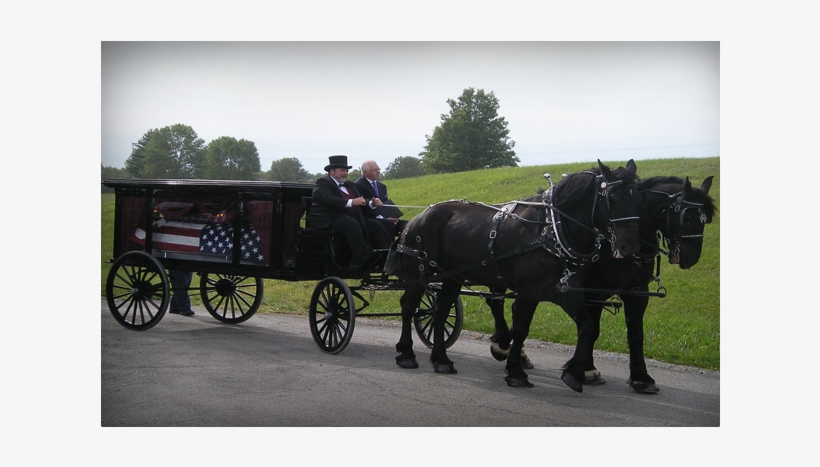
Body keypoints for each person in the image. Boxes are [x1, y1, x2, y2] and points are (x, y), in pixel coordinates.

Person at [311, 155, 393, 268]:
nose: (345, 173)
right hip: (331, 217)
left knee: (376, 225)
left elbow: (361, 199)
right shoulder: (323, 183)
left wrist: (371, 203)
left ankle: (387, 256)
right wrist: (351, 202)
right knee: (352, 224)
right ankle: (363, 259)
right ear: (332, 171)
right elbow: (327, 199)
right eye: (342, 170)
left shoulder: (350, 184)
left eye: (346, 170)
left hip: (353, 216)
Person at [354, 159, 409, 236]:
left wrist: (391, 217)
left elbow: (384, 205)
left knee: (409, 225)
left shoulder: (382, 186)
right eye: (374, 170)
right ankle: (389, 247)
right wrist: (382, 218)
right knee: (389, 224)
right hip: (370, 219)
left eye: (378, 169)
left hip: (385, 217)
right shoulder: (358, 185)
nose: (378, 172)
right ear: (365, 173)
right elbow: (362, 208)